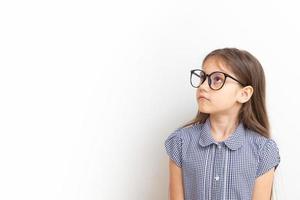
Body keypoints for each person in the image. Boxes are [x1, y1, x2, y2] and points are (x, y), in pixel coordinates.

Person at [164, 47, 281, 200]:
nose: (203, 86)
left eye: (217, 79)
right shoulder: (181, 142)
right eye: (203, 78)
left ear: (244, 93)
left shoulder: (263, 151)